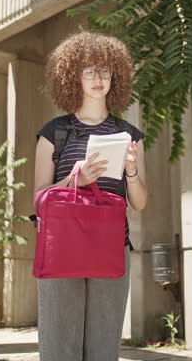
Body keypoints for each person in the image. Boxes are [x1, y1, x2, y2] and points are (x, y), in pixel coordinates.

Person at [34, 30, 147, 361]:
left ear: (116, 76)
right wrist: (76, 180)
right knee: (59, 349)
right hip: (61, 248)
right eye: (89, 70)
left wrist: (131, 170)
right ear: (73, 76)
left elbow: (139, 202)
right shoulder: (53, 132)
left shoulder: (129, 135)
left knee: (103, 350)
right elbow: (39, 198)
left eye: (105, 71)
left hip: (112, 248)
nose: (98, 78)